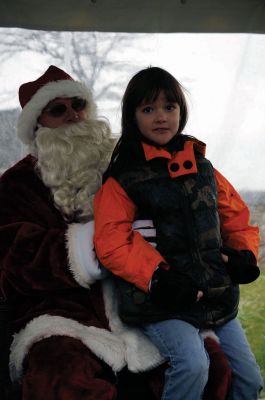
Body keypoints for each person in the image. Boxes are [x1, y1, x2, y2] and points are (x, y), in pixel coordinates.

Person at [0, 65, 171, 400]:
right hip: (61, 316)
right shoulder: (14, 186)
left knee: (210, 365)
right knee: (59, 379)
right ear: (38, 125)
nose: (72, 116)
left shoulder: (123, 165)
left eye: (77, 104)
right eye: (57, 110)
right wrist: (96, 247)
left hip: (138, 307)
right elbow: (11, 260)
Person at [93, 66, 263, 400]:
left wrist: (244, 254)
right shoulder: (124, 177)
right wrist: (159, 278)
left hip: (215, 296)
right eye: (148, 109)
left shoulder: (202, 167)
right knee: (193, 365)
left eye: (169, 107)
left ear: (181, 112)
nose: (161, 117)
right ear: (132, 116)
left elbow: (235, 216)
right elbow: (111, 240)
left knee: (249, 378)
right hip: (162, 301)